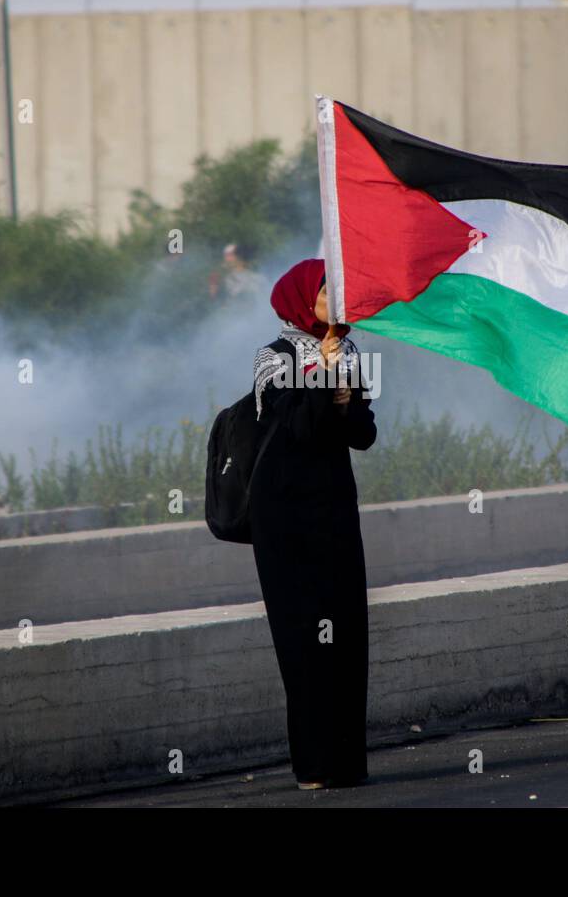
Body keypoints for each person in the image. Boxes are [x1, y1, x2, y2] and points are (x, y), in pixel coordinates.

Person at [248, 257, 377, 790]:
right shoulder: (271, 359)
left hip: (333, 509)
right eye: (327, 294)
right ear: (303, 298)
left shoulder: (346, 349)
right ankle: (313, 766)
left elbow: (364, 433)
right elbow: (298, 427)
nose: (337, 303)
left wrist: (346, 402)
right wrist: (325, 382)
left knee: (346, 632)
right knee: (304, 641)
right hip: (286, 516)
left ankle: (346, 763)